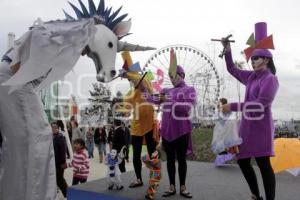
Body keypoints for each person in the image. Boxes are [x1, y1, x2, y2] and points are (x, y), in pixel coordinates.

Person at [221, 22, 279, 200]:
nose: (252, 61)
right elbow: (231, 69)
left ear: (266, 59)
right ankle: (255, 195)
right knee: (243, 160)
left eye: (256, 58)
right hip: (246, 127)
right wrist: (228, 50)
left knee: (263, 163)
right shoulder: (251, 76)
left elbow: (260, 105)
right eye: (251, 58)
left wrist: (232, 106)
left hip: (261, 128)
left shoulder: (270, 79)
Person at [144, 49, 196, 198]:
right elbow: (153, 99)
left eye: (174, 76)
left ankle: (183, 187)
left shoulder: (189, 89)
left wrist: (169, 100)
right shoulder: (166, 90)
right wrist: (144, 91)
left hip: (182, 130)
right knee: (170, 161)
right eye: (170, 76)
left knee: (181, 160)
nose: (172, 79)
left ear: (182, 75)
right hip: (167, 131)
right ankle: (172, 186)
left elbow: (186, 108)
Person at [123, 71, 157, 188]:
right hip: (136, 127)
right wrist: (123, 110)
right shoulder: (131, 94)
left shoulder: (147, 87)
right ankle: (139, 179)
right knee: (136, 154)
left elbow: (140, 79)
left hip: (149, 125)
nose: (133, 82)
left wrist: (127, 74)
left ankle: (154, 179)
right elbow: (126, 110)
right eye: (131, 81)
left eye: (133, 80)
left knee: (152, 153)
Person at [52, 122, 68, 198]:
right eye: (52, 127)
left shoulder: (60, 137)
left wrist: (63, 162)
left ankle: (67, 195)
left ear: (58, 128)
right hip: (54, 163)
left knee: (60, 180)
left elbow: (63, 151)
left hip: (59, 163)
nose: (53, 129)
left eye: (55, 127)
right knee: (59, 180)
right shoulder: (53, 137)